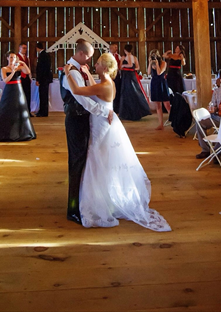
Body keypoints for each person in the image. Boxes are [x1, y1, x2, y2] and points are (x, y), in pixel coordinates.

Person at [64, 53, 171, 232]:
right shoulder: (108, 83)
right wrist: (86, 73)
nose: (94, 65)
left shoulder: (104, 86)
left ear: (104, 68)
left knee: (97, 160)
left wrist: (68, 73)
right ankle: (106, 198)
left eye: (97, 64)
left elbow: (78, 91)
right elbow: (94, 86)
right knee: (102, 160)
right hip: (105, 122)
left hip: (101, 125)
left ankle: (99, 202)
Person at [60, 40, 112, 224]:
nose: (90, 60)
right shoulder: (71, 73)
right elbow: (83, 101)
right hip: (75, 121)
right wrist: (104, 112)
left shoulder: (79, 70)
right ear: (81, 54)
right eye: (89, 56)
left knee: (83, 161)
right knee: (76, 163)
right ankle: (72, 208)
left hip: (84, 121)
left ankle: (82, 200)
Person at [0, 51, 36, 142]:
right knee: (7, 109)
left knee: (19, 109)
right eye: (11, 57)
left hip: (18, 89)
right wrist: (13, 72)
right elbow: (5, 80)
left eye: (14, 58)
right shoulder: (4, 69)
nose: (12, 59)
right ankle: (5, 132)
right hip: (9, 89)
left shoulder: (19, 68)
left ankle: (21, 132)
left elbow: (28, 71)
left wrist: (23, 64)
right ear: (7, 58)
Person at [117, 44, 151, 121]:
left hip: (128, 76)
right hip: (129, 75)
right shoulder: (134, 58)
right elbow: (138, 67)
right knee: (133, 92)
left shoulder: (125, 57)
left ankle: (129, 113)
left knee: (128, 92)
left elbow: (121, 66)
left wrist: (125, 66)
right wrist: (132, 68)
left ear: (125, 50)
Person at [147, 49, 170, 130]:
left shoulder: (164, 63)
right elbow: (148, 72)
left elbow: (159, 73)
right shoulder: (151, 63)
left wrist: (157, 64)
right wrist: (150, 63)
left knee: (166, 104)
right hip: (154, 83)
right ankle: (161, 124)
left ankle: (173, 121)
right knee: (157, 104)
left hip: (161, 83)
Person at [35, 42, 53, 117]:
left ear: (37, 48)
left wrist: (38, 79)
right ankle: (42, 111)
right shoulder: (46, 55)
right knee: (44, 95)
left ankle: (43, 112)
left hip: (43, 79)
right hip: (46, 78)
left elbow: (41, 69)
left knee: (43, 96)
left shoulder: (42, 55)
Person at [17, 43, 33, 116]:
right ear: (19, 48)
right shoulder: (17, 57)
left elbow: (29, 67)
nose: (25, 50)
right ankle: (20, 112)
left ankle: (28, 111)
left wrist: (30, 77)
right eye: (23, 48)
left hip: (26, 77)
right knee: (20, 95)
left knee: (28, 95)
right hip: (20, 77)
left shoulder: (27, 58)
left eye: (26, 48)